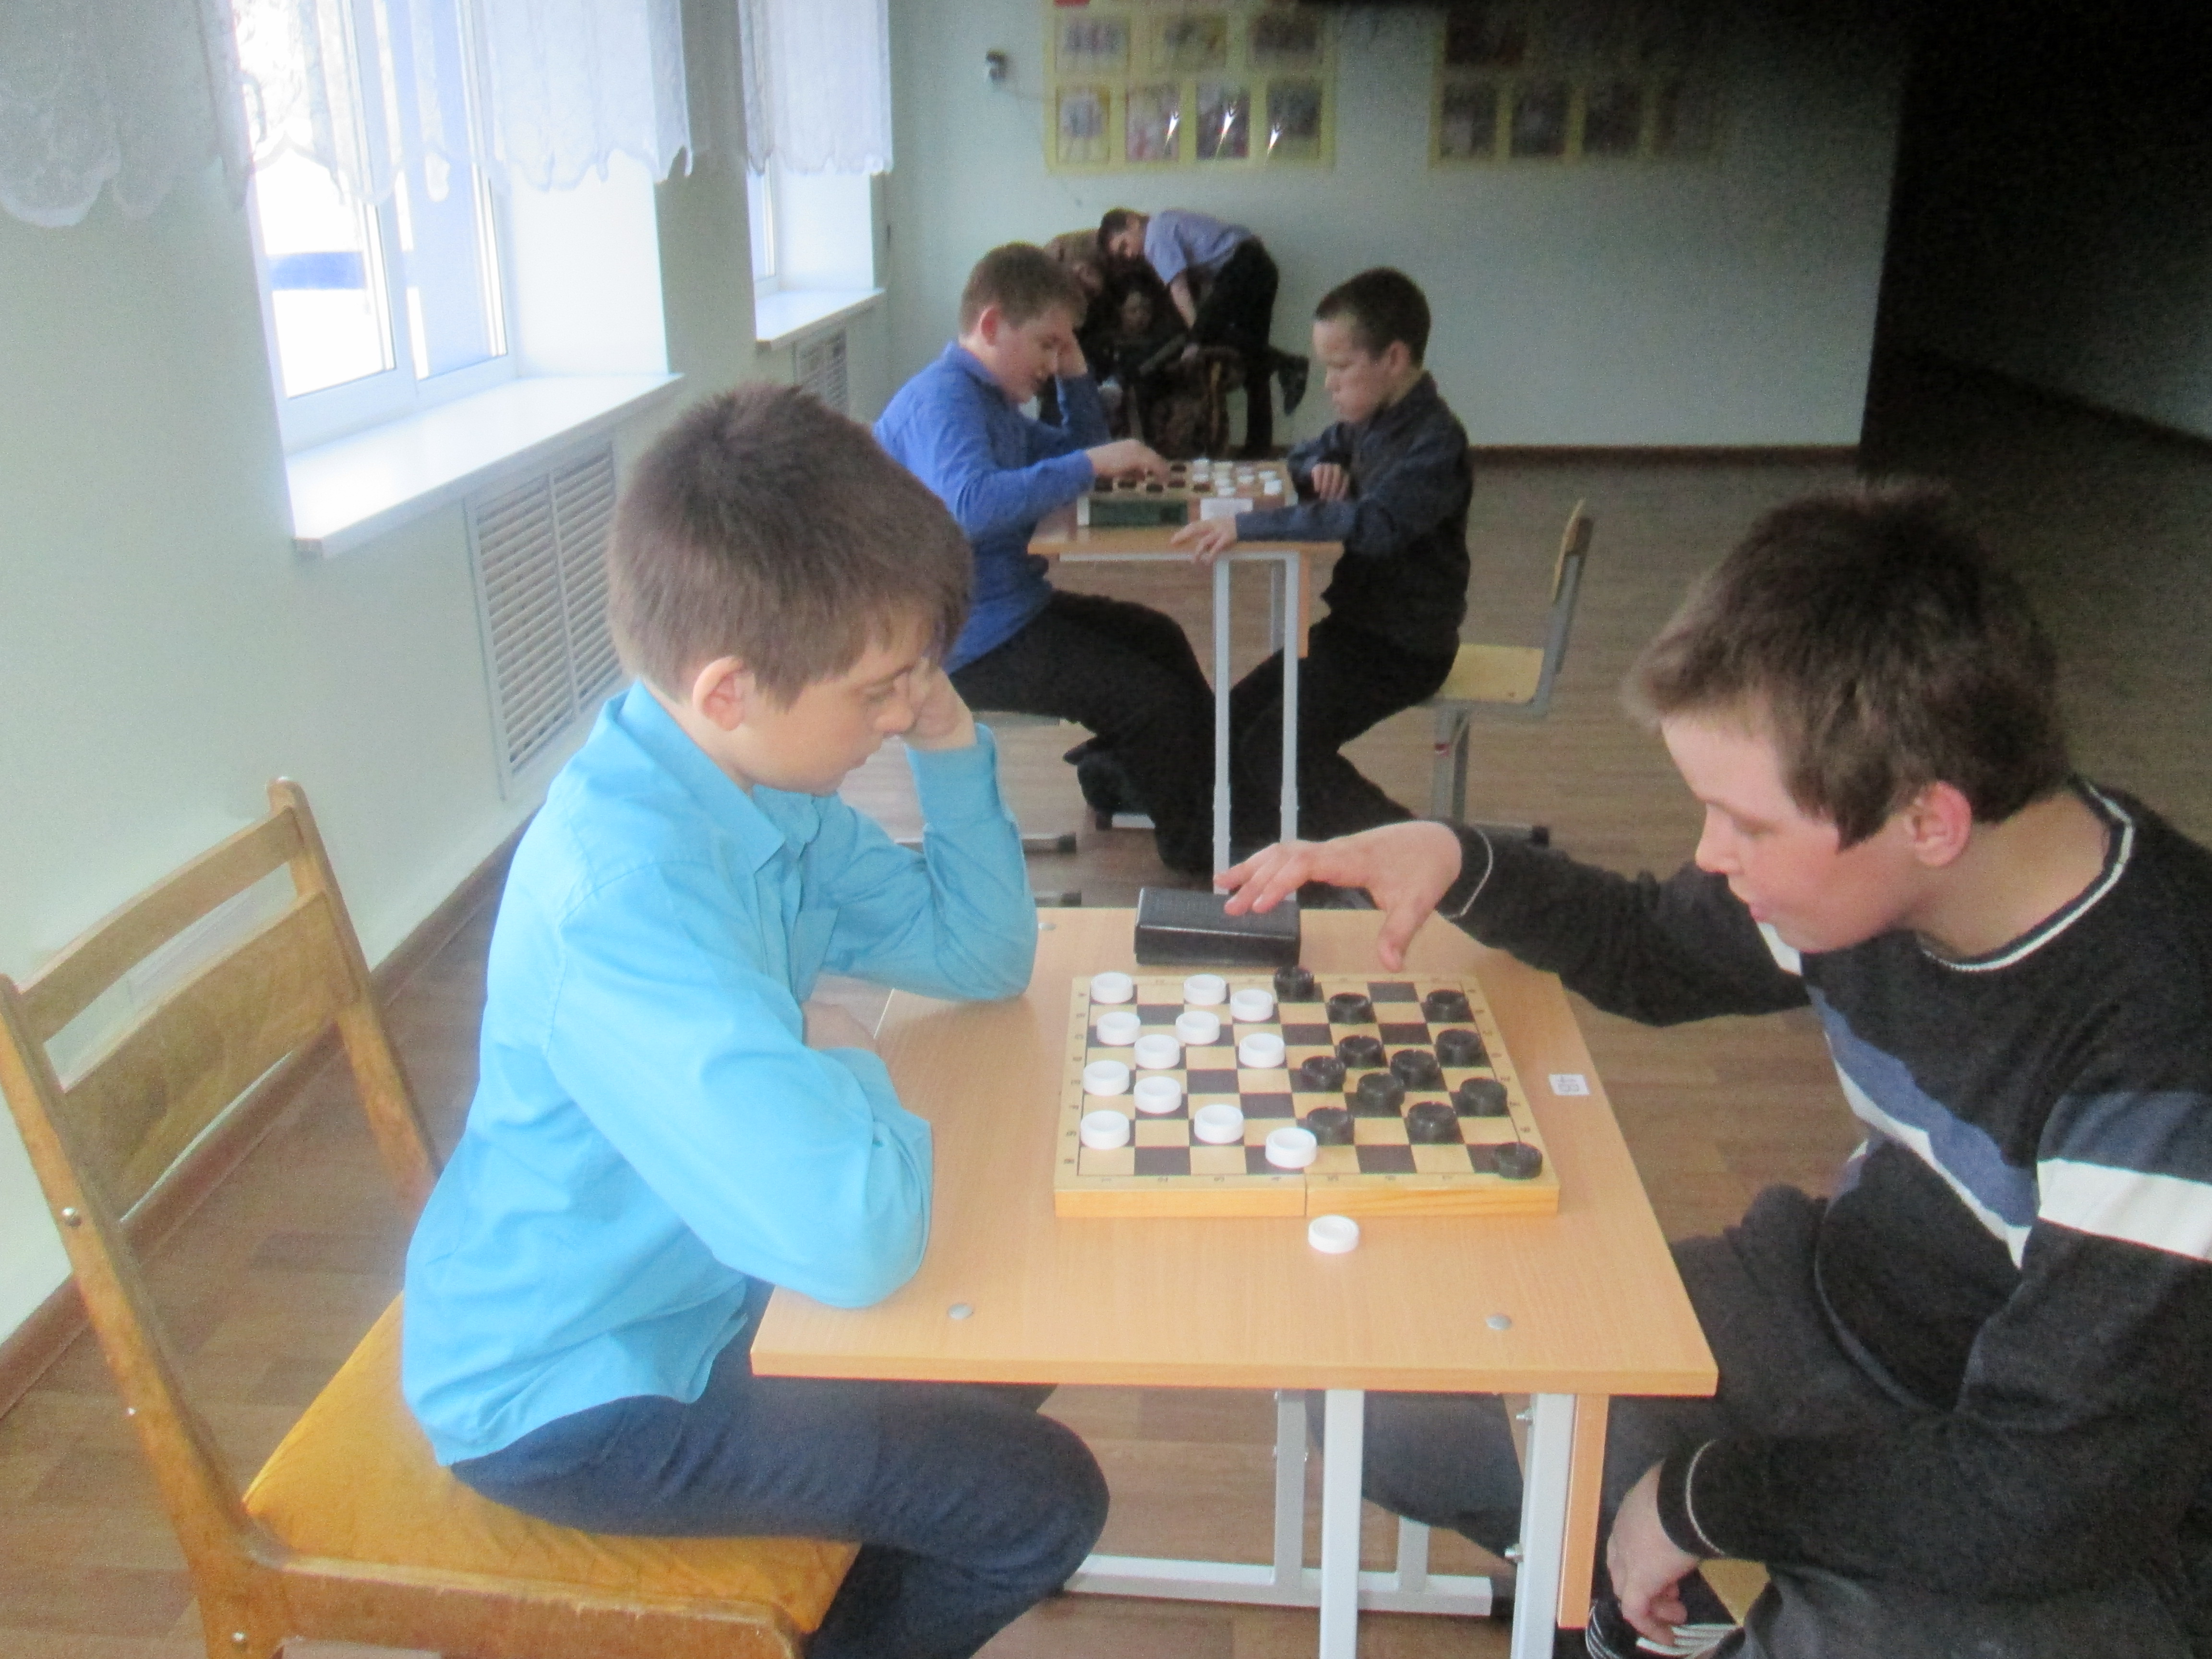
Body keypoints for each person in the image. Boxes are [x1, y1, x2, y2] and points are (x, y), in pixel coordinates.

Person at [1219, 485, 2212, 1659]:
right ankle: (1658, 1611)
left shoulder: (2164, 1045)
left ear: (1929, 822)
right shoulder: (1873, 873)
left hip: (2088, 1503)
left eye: (1745, 823)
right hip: (1838, 1304)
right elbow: (1655, 949)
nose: (1709, 853)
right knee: (1396, 1394)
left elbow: (2045, 1490)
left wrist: (1705, 1499)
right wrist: (1452, 856)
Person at [401, 385, 1110, 1659]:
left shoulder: (751, 790)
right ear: (729, 690)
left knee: (1012, 1334)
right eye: (879, 689)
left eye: (913, 680)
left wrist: (950, 744)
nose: (898, 712)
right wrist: (845, 1060)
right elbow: (852, 1244)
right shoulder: (627, 899)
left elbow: (981, 955)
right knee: (1042, 1497)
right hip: (581, 1384)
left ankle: (837, 1556)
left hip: (714, 1276)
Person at [876, 241, 1217, 876]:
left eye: (1062, 346)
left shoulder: (992, 403)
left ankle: (1195, 800)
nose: (1051, 361)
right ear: (990, 325)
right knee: (1151, 701)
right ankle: (1204, 851)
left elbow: (1086, 450)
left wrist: (1075, 372)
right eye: (1045, 344)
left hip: (1009, 612)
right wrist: (1089, 462)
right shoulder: (944, 400)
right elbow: (971, 505)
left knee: (1160, 638)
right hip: (965, 642)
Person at [1173, 267, 1471, 851]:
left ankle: (1415, 854)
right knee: (1233, 721)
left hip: (1405, 648)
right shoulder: (1369, 421)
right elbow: (1304, 456)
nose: (1328, 384)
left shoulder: (1436, 442)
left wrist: (1246, 526)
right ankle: (1264, 839)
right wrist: (1316, 469)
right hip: (1355, 631)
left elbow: (1374, 525)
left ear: (1393, 358)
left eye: (1340, 367)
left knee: (1274, 747)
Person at [1100, 206, 1310, 457]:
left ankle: (1287, 364)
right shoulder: (1168, 221)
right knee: (1253, 362)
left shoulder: (1155, 235)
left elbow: (1179, 289)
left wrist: (1197, 338)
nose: (1130, 254)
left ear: (1132, 222)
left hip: (1243, 267)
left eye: (1124, 245)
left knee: (1211, 338)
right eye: (1122, 254)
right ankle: (1259, 448)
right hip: (1261, 266)